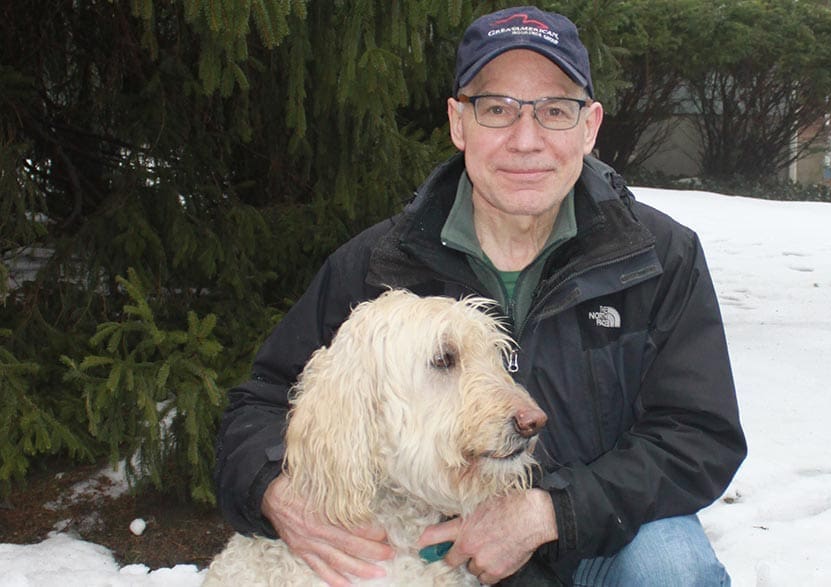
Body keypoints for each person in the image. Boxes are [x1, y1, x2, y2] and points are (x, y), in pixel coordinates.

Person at [214, 5, 746, 586]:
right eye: (496, 109)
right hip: (439, 549)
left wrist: (551, 511)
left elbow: (700, 436)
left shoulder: (659, 256)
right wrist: (277, 492)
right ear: (458, 123)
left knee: (673, 567)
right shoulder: (376, 264)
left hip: (598, 539)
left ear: (589, 126)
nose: (526, 140)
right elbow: (259, 403)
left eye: (554, 111)